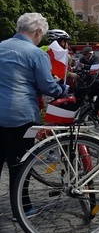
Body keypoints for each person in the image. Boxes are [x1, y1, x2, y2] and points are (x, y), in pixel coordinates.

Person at [0, 13, 67, 221]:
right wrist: (62, 89)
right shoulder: (36, 53)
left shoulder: (1, 46)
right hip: (19, 115)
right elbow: (47, 86)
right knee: (19, 165)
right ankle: (22, 207)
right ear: (37, 32)